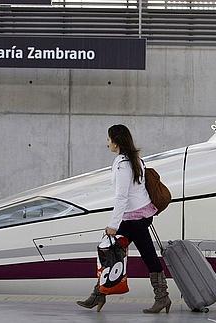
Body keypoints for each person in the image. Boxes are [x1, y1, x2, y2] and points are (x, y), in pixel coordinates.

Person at [76, 124, 171, 314]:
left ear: (116, 141)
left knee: (110, 252)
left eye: (109, 139)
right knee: (136, 254)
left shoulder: (122, 164)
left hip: (132, 219)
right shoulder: (135, 159)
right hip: (142, 215)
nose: (107, 143)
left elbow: (122, 197)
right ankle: (161, 297)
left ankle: (99, 295)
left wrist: (113, 225)